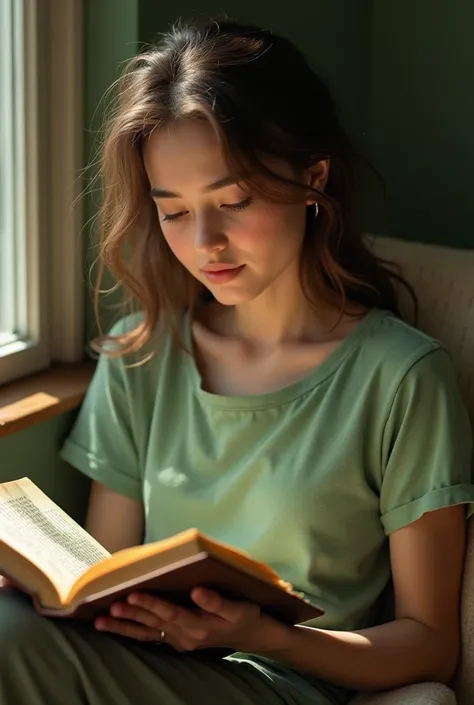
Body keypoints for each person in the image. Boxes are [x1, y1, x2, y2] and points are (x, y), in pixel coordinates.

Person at [0, 18, 472, 705]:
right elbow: (107, 579)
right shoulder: (143, 352)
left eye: (233, 201)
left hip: (290, 682)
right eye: (173, 212)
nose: (205, 243)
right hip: (153, 672)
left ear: (313, 177)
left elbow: (431, 641)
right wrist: (50, 594)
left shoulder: (400, 377)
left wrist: (272, 635)